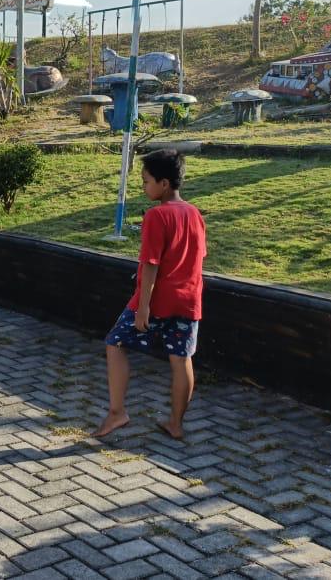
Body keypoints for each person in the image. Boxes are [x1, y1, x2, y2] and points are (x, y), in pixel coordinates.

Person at [93, 149, 207, 441]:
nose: (143, 187)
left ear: (164, 183)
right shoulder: (195, 214)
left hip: (158, 300)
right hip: (189, 300)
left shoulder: (157, 216)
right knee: (181, 359)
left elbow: (150, 264)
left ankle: (118, 412)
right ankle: (176, 424)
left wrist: (144, 307)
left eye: (146, 181)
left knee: (115, 343)